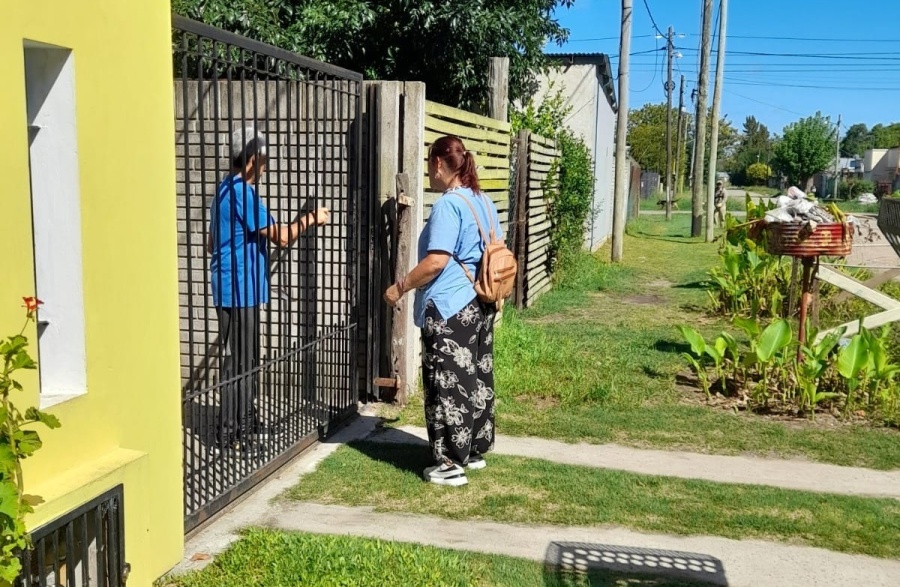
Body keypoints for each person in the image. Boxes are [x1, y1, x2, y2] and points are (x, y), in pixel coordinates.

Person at [384, 135, 498, 487]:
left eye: (429, 167)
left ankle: (450, 463)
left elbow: (436, 261)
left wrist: (400, 286)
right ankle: (473, 449)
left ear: (437, 164)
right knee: (475, 378)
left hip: (449, 305)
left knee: (446, 382)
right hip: (479, 303)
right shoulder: (483, 200)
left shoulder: (450, 204)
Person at [208, 126, 330, 455]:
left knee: (240, 359)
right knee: (243, 362)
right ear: (251, 160)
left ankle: (243, 421)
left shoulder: (223, 190)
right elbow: (282, 236)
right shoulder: (243, 193)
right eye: (263, 161)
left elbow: (211, 244)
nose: (265, 168)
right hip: (241, 287)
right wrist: (311, 218)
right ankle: (235, 435)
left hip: (230, 285)